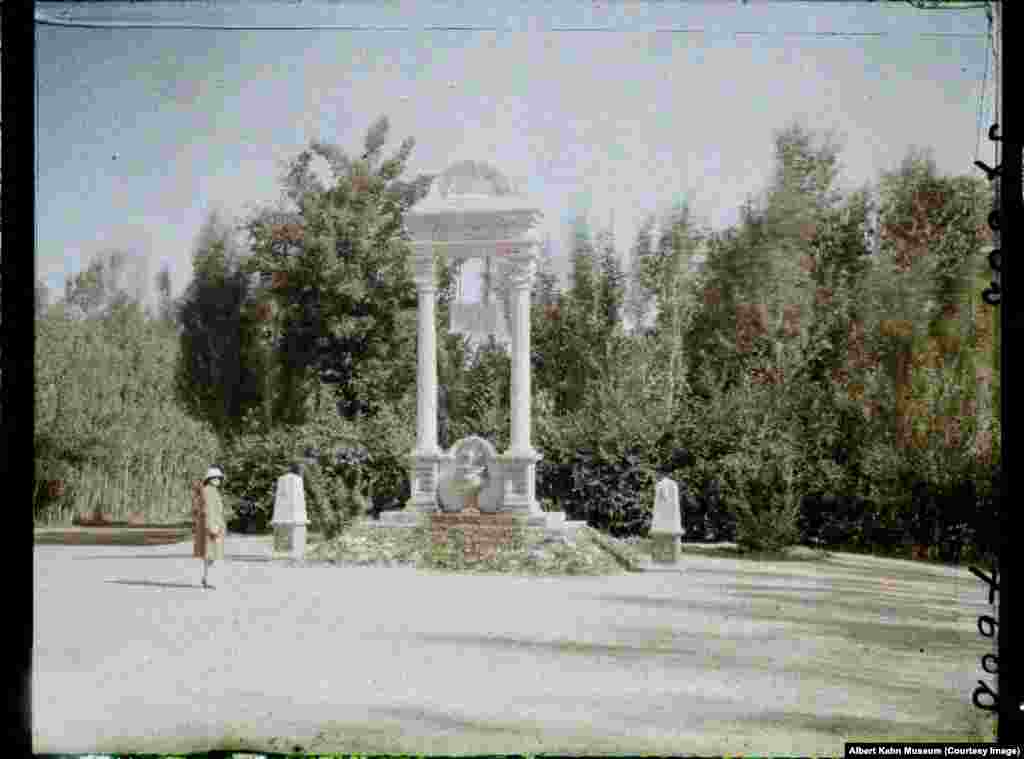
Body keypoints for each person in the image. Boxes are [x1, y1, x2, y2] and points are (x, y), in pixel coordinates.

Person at [192, 466, 227, 589]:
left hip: (212, 525)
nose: (218, 479)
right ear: (210, 479)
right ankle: (209, 579)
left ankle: (207, 578)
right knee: (211, 555)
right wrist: (213, 527)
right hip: (212, 526)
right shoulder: (209, 491)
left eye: (219, 478)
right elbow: (209, 510)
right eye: (215, 477)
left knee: (211, 555)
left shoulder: (210, 490)